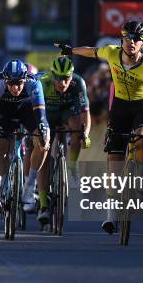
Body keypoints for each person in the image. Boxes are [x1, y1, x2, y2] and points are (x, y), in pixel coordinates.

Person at [55, 20, 143, 234]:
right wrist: (71, 50)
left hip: (141, 106)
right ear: (122, 39)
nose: (131, 42)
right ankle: (111, 216)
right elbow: (93, 52)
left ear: (142, 44)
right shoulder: (113, 53)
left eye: (137, 39)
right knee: (114, 162)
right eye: (128, 38)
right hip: (120, 107)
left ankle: (142, 177)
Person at [0, 59, 50, 214]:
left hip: (27, 111)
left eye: (19, 83)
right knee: (0, 146)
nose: (15, 87)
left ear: (25, 79)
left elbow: (41, 115)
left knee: (43, 141)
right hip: (3, 112)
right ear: (5, 80)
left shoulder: (34, 83)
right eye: (11, 83)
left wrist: (43, 132)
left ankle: (29, 186)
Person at [34, 56, 91, 224]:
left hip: (67, 112)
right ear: (52, 76)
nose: (62, 82)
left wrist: (85, 134)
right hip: (47, 115)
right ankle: (44, 205)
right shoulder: (42, 82)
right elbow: (32, 111)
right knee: (43, 151)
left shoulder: (78, 83)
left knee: (76, 126)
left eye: (66, 78)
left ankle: (72, 166)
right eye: (58, 78)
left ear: (71, 77)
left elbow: (85, 113)